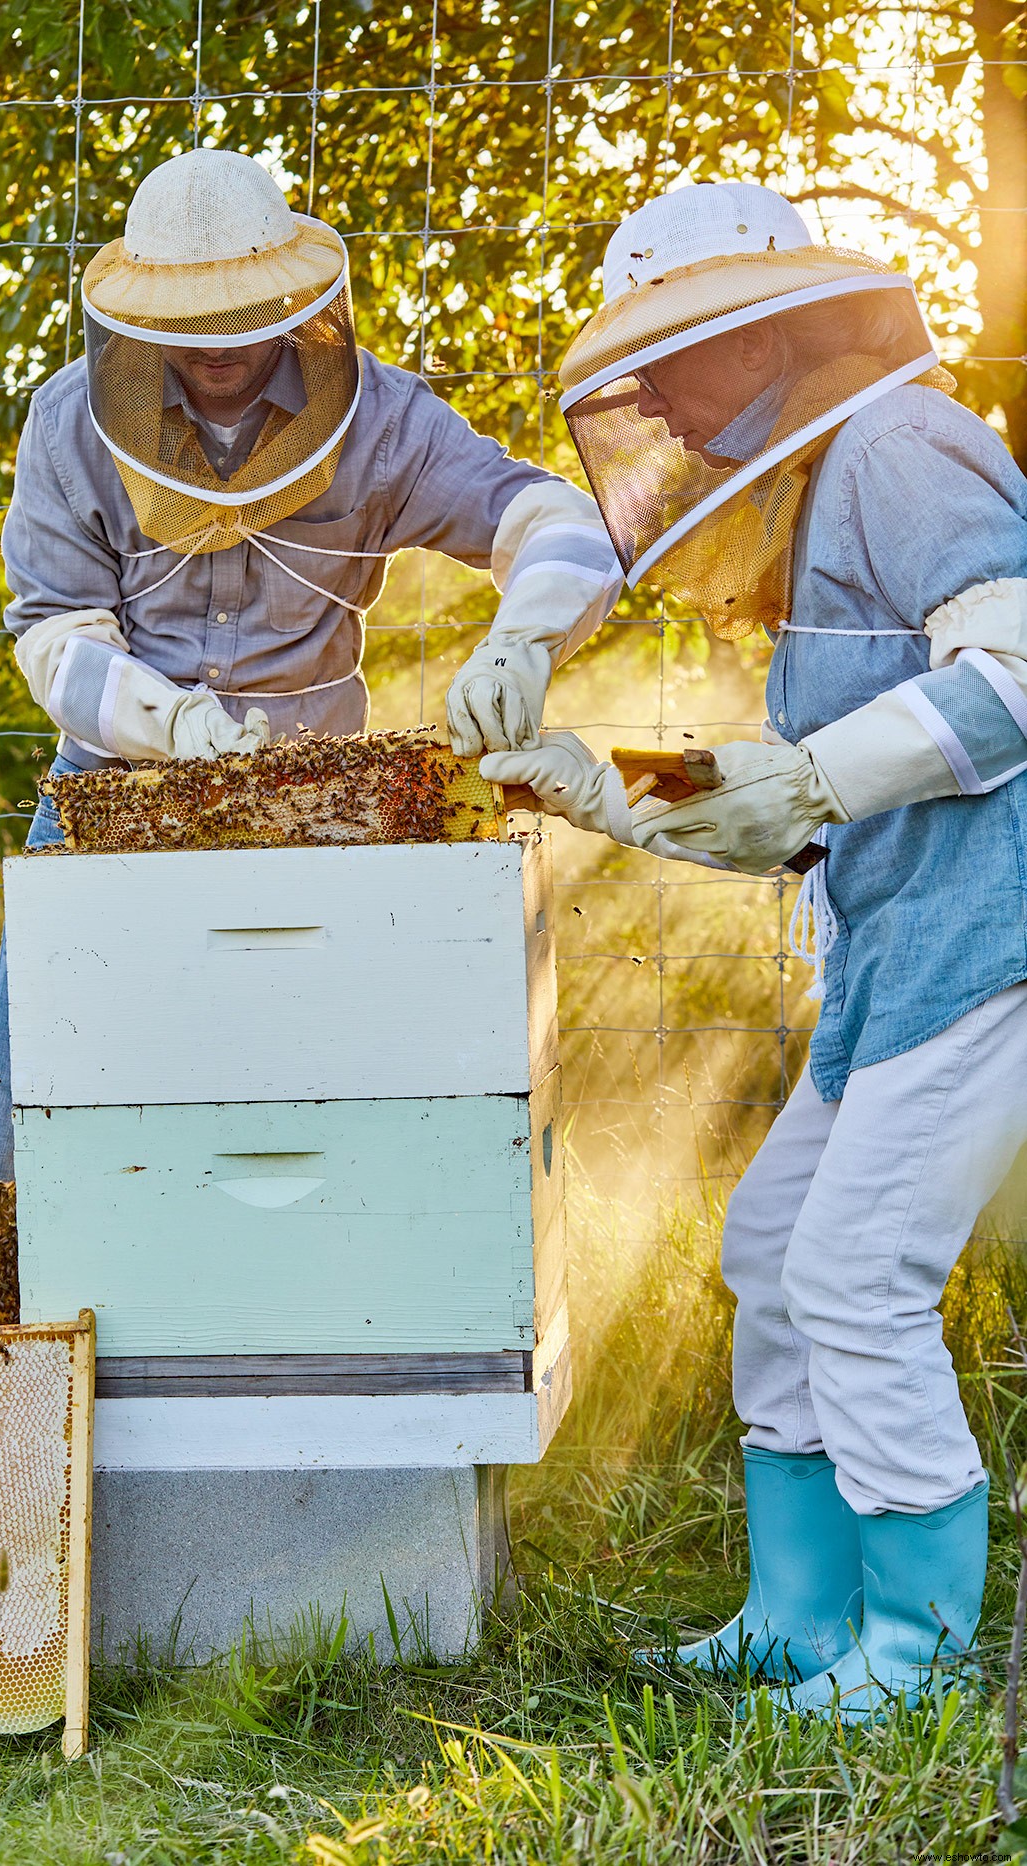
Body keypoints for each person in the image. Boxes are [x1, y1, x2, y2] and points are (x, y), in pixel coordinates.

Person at [485, 180, 1027, 1720]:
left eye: (669, 354)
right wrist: (599, 781)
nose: (647, 396)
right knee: (777, 1253)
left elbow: (1017, 664)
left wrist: (818, 778)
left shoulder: (904, 450)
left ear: (761, 328)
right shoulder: (822, 501)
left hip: (995, 943)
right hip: (897, 962)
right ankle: (801, 1617)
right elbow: (802, 820)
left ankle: (912, 1669)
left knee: (857, 1271)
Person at [0, 147, 623, 1186]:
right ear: (137, 313)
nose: (219, 344)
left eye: (241, 310)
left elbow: (561, 525)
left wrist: (522, 643)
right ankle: (20, 1332)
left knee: (325, 1118)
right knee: (28, 1134)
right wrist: (168, 724)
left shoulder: (384, 421)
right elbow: (52, 634)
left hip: (318, 801)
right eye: (191, 318)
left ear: (291, 293)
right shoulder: (69, 423)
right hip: (108, 795)